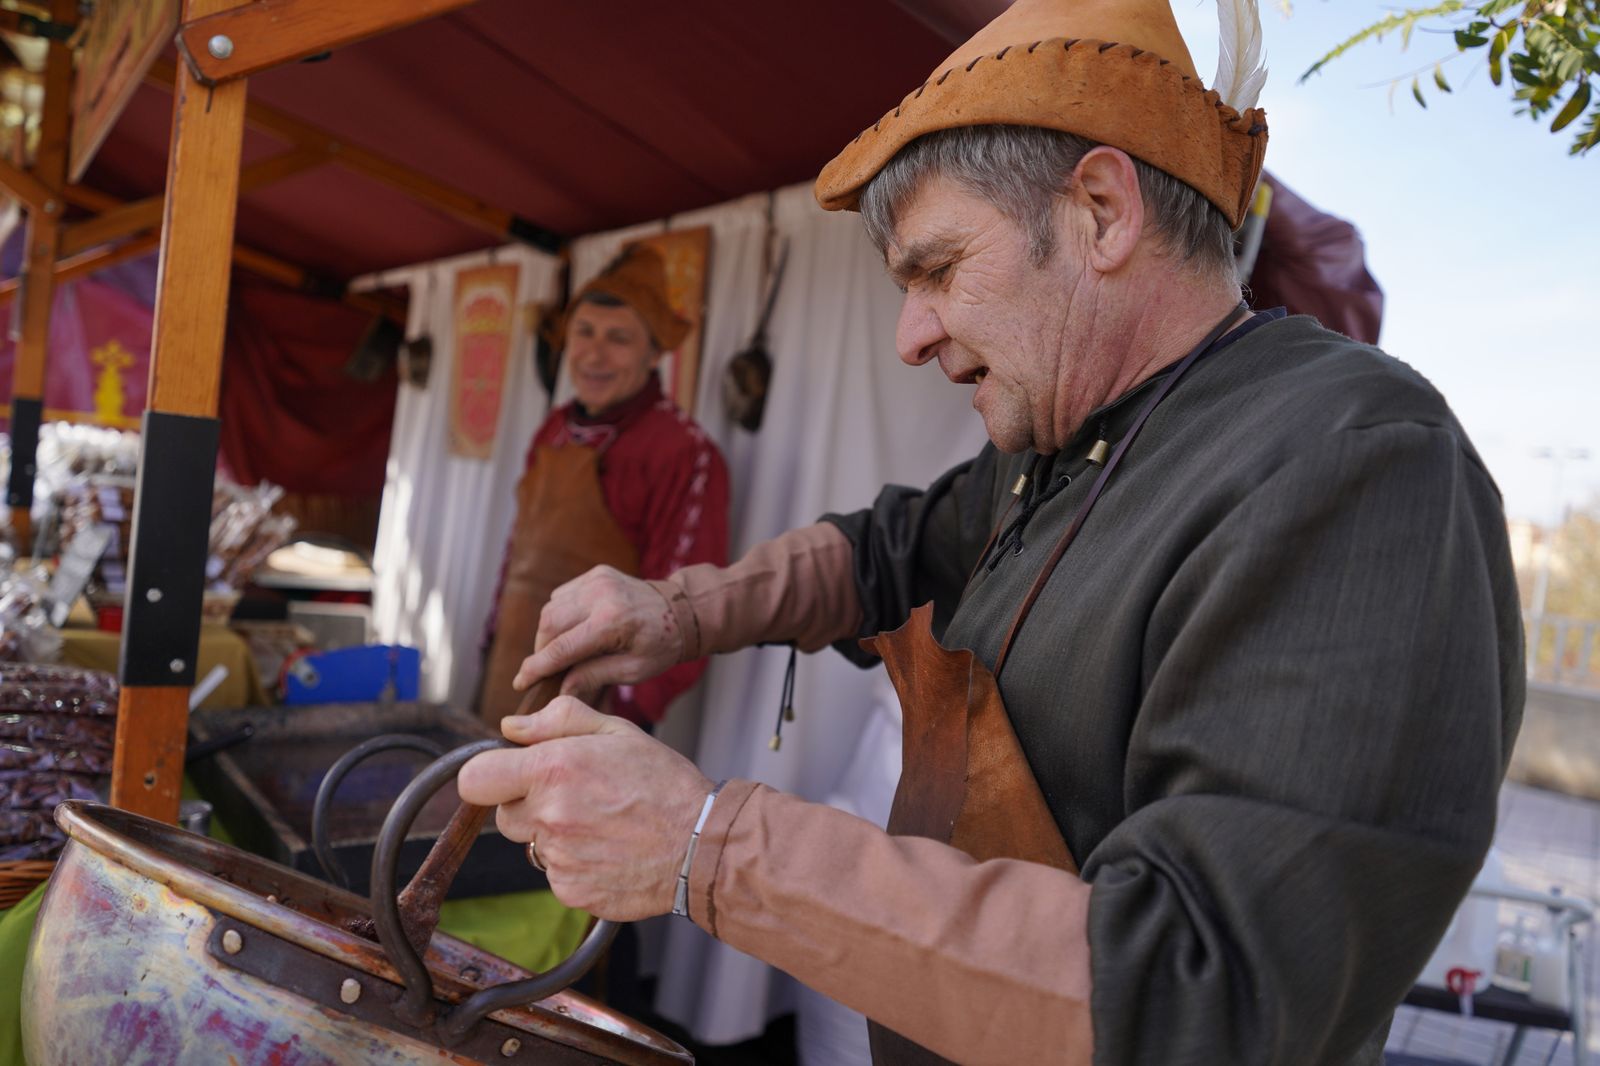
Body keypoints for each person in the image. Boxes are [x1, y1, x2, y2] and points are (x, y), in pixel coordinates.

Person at [459, 1, 1524, 1062]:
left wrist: (709, 845)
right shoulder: (1060, 438)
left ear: (1102, 211)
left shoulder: (1357, 463)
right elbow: (890, 547)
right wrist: (673, 611)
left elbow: (1202, 994)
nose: (910, 336)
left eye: (936, 269)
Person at [478, 243, 729, 728]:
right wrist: (490, 648)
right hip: (509, 675)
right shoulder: (553, 428)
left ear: (654, 351)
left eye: (619, 338)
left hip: (594, 711)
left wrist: (626, 713)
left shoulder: (683, 450)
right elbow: (515, 555)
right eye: (584, 332)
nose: (594, 353)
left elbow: (686, 604)